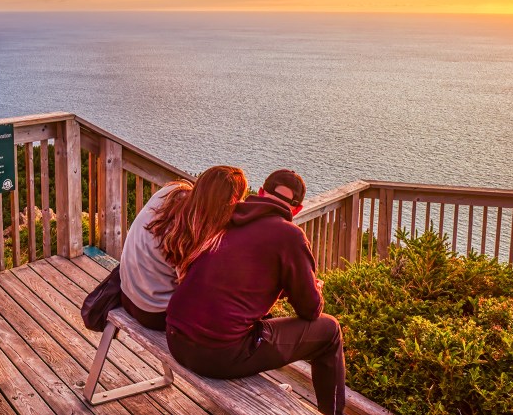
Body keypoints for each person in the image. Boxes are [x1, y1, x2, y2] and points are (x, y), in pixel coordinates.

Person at [165, 169, 347, 415]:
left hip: (175, 337)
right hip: (217, 355)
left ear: (261, 192)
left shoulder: (226, 218)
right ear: (297, 209)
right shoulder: (290, 235)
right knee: (330, 330)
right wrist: (313, 288)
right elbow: (310, 309)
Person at [119, 165, 248, 331]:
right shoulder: (192, 232)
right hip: (153, 313)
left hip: (126, 294)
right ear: (231, 201)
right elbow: (192, 290)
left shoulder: (171, 192)